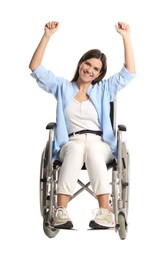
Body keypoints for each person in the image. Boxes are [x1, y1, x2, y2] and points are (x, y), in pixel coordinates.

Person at [29, 20, 136, 230]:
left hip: (100, 142)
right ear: (81, 63)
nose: (90, 70)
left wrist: (126, 38)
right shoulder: (62, 86)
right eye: (88, 64)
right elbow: (35, 68)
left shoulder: (104, 89)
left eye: (96, 69)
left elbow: (129, 72)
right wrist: (47, 36)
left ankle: (105, 213)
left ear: (99, 74)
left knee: (94, 150)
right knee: (76, 149)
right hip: (70, 142)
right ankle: (61, 210)